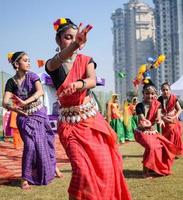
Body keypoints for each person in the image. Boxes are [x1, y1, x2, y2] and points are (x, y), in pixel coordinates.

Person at [45, 18, 131, 200]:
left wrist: (78, 84)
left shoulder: (86, 60)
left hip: (92, 122)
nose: (73, 40)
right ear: (58, 40)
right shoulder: (53, 64)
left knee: (106, 166)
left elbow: (92, 80)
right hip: (70, 126)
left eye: (76, 38)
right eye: (68, 37)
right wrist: (75, 44)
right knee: (82, 171)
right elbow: (55, 62)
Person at [2, 51, 56, 189]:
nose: (28, 63)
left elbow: (40, 92)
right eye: (25, 60)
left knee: (44, 142)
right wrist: (16, 109)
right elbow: (5, 102)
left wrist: (26, 102)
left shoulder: (32, 76)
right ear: (16, 64)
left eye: (29, 60)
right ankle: (25, 178)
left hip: (38, 113)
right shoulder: (11, 82)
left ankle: (50, 169)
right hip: (24, 117)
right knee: (30, 146)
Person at [134, 83, 182, 179]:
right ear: (143, 94)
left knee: (164, 146)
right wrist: (148, 123)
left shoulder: (158, 105)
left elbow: (158, 117)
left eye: (152, 94)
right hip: (141, 132)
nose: (150, 96)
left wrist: (160, 120)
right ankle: (145, 173)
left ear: (155, 94)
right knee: (151, 147)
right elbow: (144, 121)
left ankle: (155, 168)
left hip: (152, 131)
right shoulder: (139, 105)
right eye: (147, 93)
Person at [158, 82, 183, 155]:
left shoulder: (174, 98)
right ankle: (168, 151)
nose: (165, 91)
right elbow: (158, 112)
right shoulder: (159, 99)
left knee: (175, 136)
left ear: (169, 90)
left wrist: (175, 116)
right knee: (167, 137)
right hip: (164, 122)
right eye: (163, 90)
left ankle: (176, 151)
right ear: (161, 91)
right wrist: (164, 117)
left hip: (173, 120)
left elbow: (179, 109)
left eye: (166, 89)